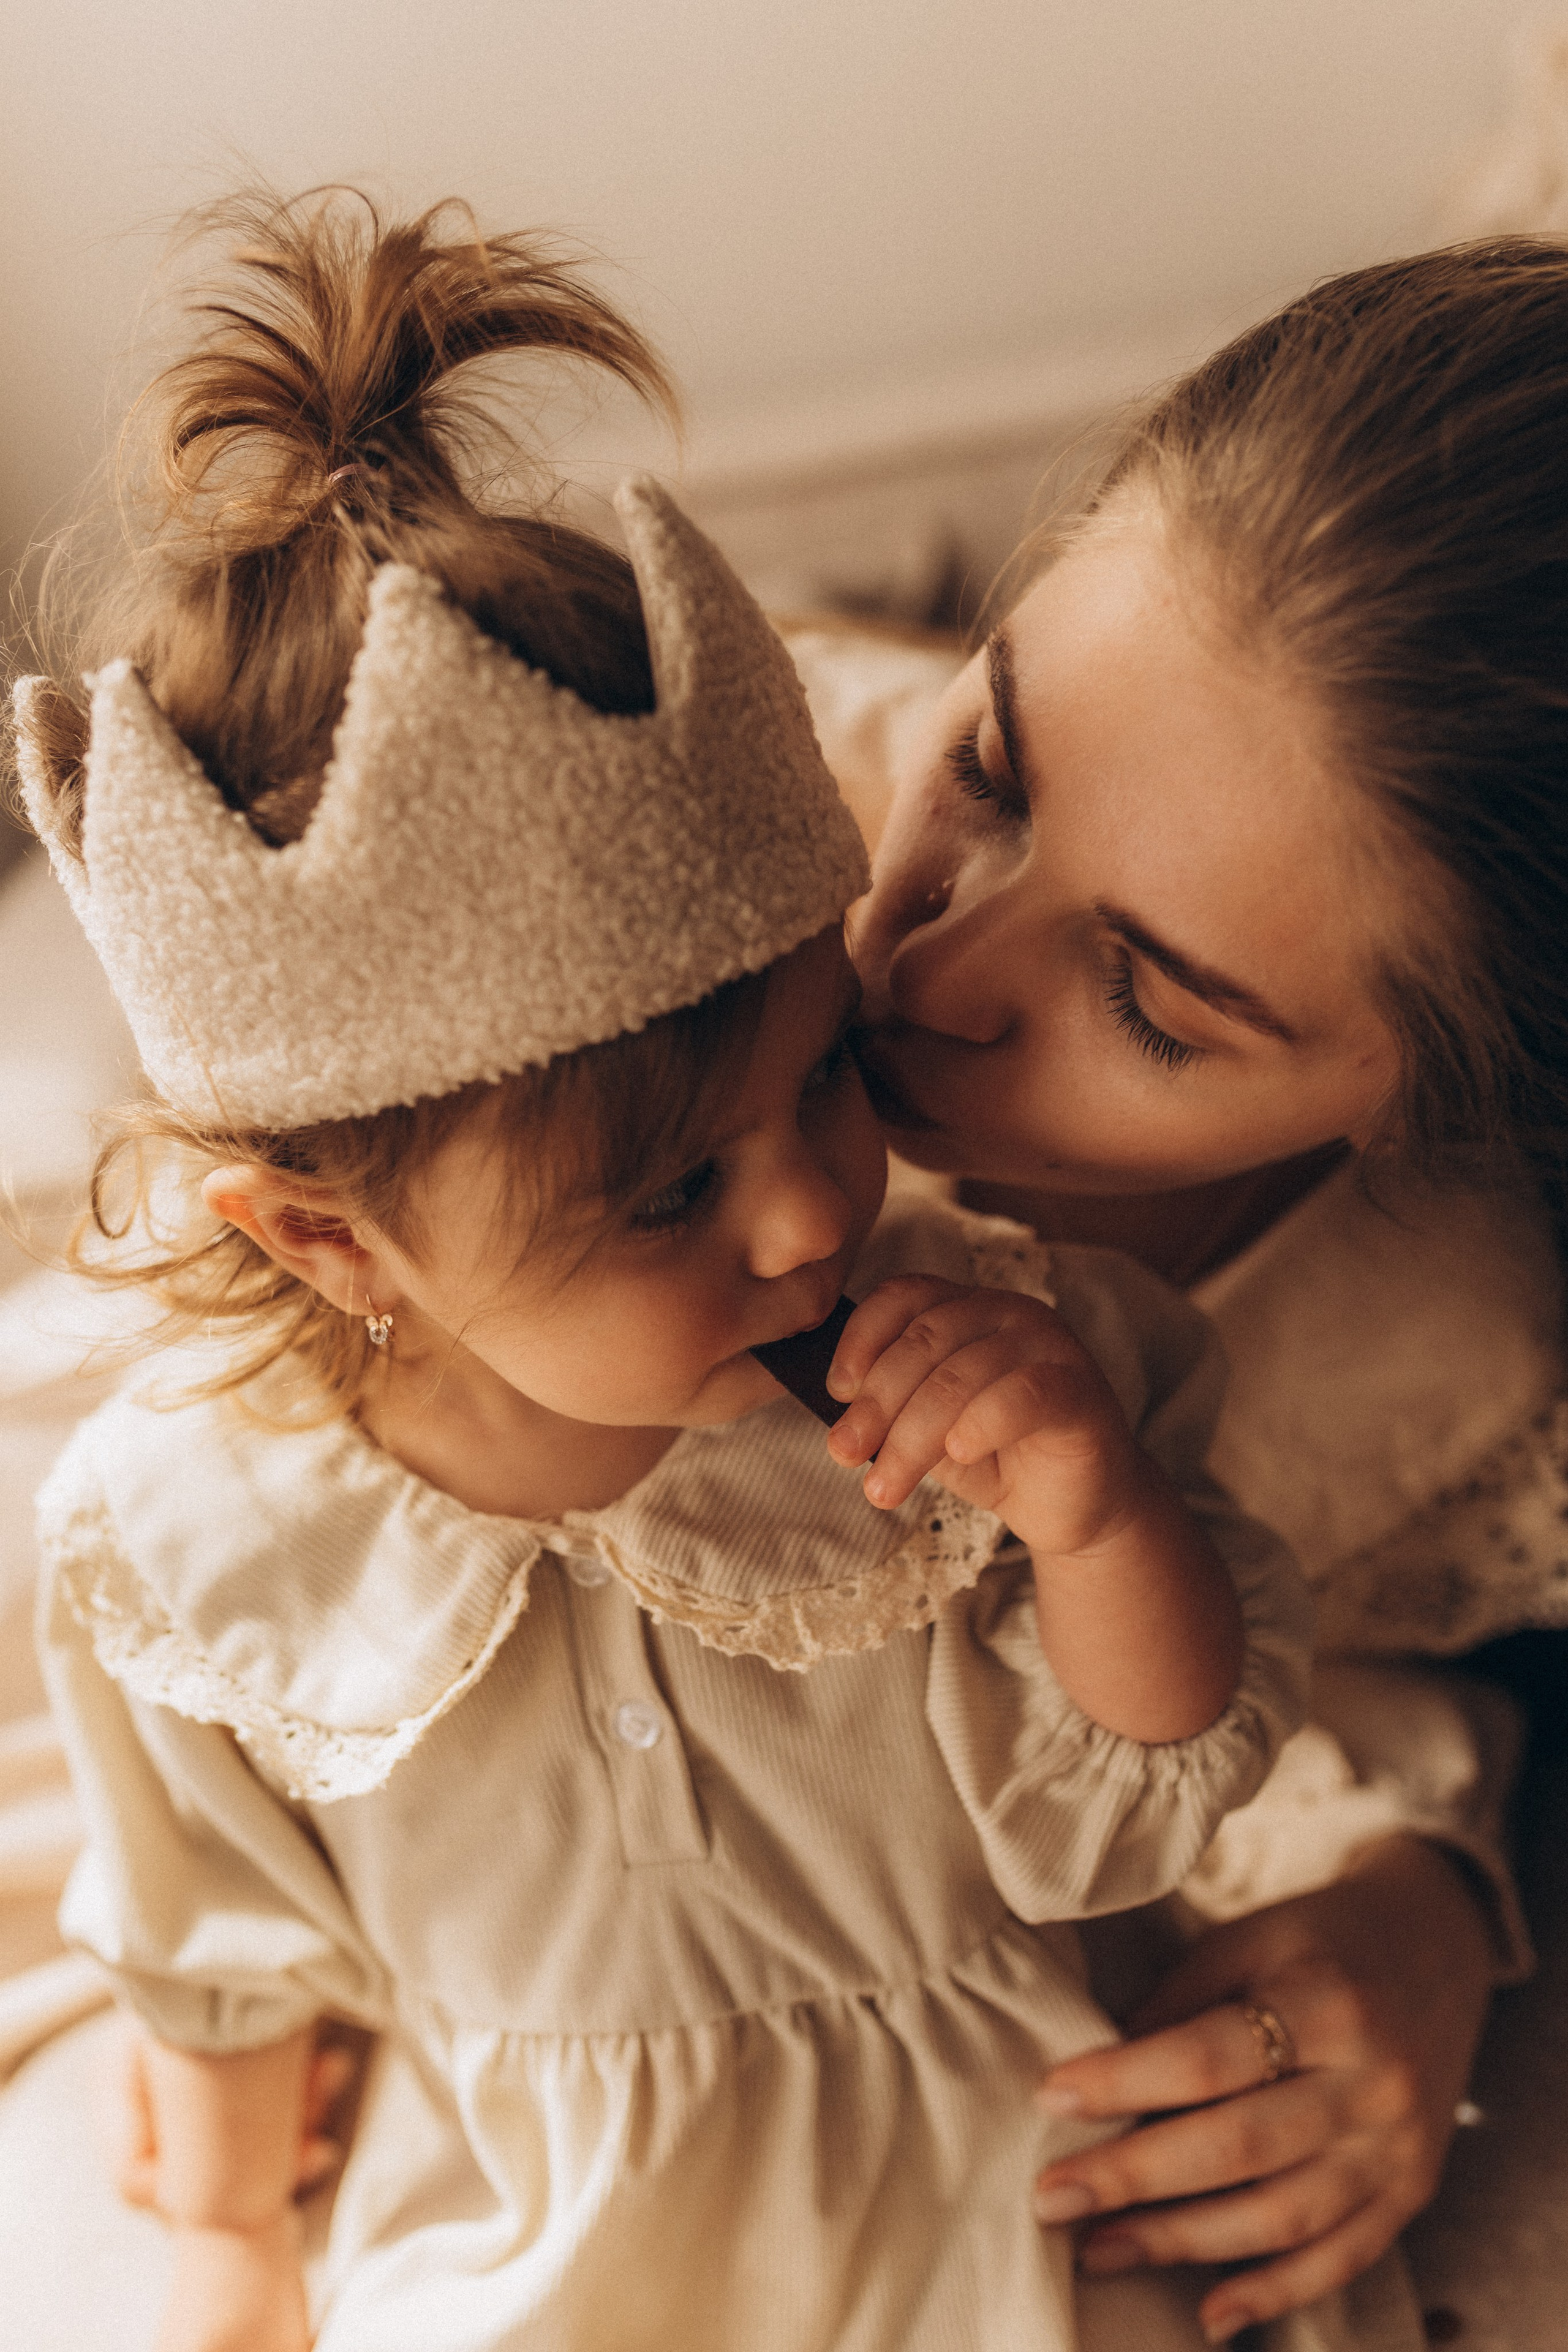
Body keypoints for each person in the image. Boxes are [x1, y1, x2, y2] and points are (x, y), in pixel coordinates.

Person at [10, 192, 1311, 2352]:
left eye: (822, 1076)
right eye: (664, 1197)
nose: (813, 1212)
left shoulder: (978, 1370)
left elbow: (1140, 1803)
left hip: (1001, 2202)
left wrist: (1093, 1512)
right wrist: (231, 2254)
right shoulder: (189, 1544)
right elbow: (211, 1948)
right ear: (334, 1242)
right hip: (544, 2245)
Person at [818, 235, 1568, 2346]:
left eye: (1144, 1001)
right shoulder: (692, 820)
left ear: (1422, 1107)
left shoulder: (1476, 1353)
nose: (928, 969)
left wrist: (1428, 1915)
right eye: (992, 766)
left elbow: (1441, 1660)